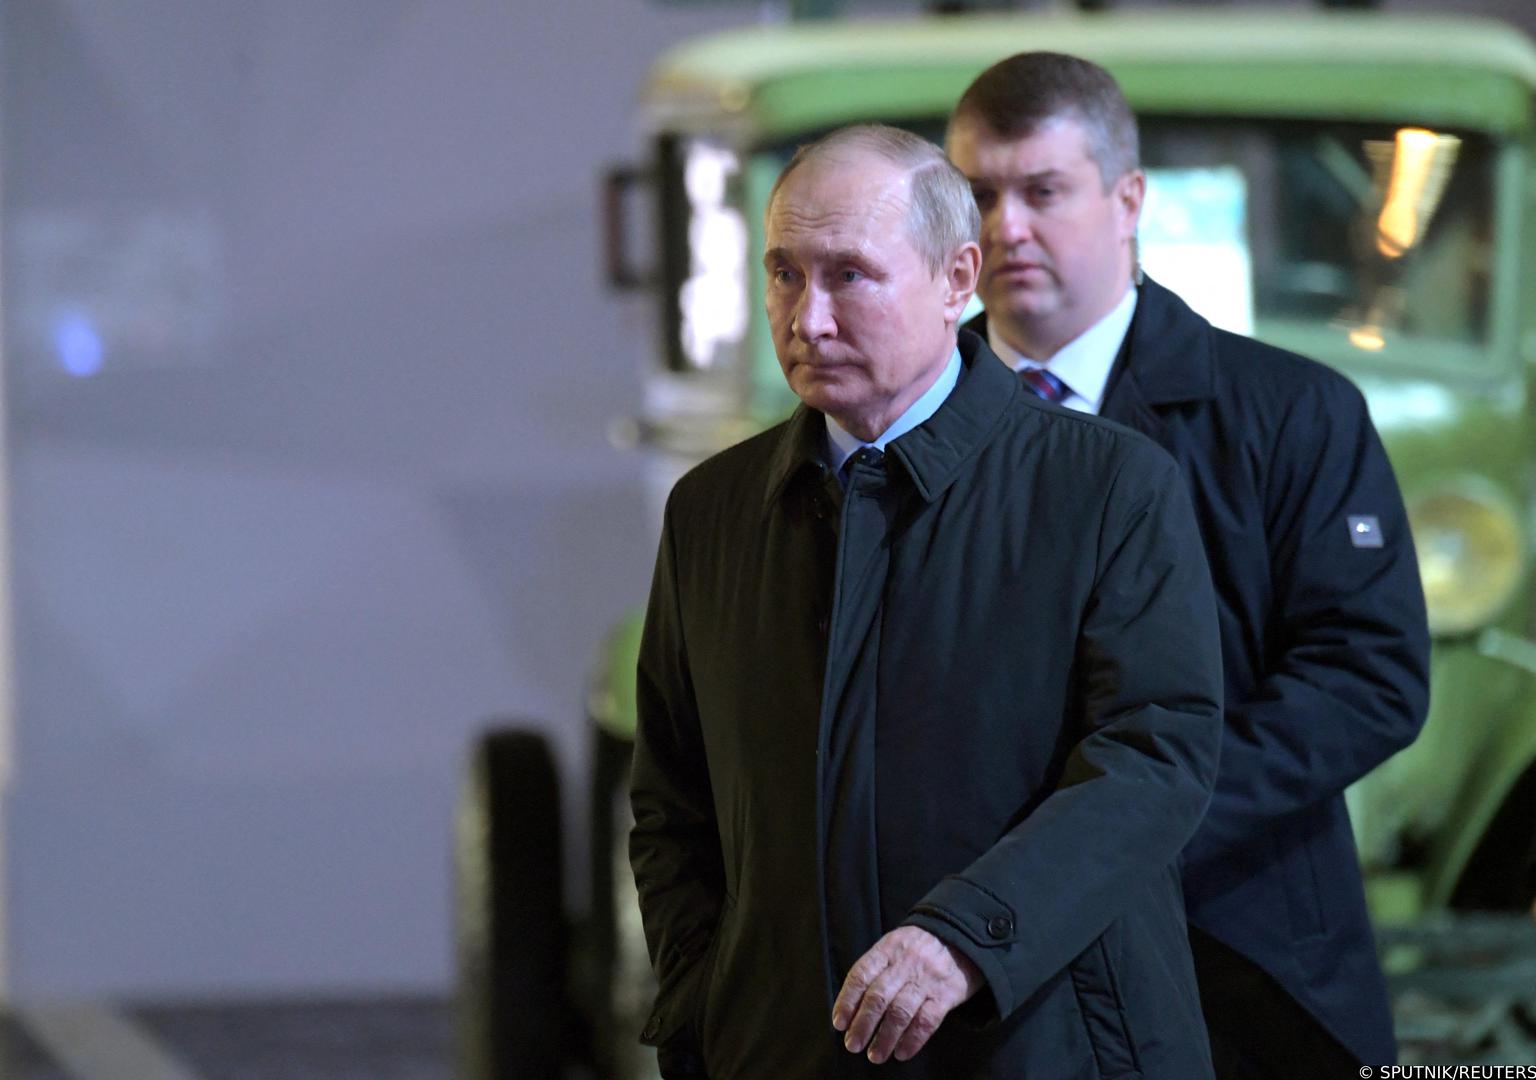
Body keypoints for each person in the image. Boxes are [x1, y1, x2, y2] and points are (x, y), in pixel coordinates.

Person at [629, 123, 1225, 1079]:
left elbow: (1154, 760)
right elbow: (672, 802)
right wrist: (705, 1003)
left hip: (1042, 1047)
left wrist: (965, 938)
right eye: (784, 274)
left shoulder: (1108, 488)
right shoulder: (712, 511)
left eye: (849, 276)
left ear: (958, 280)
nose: (809, 319)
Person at [946, 53, 1431, 1077]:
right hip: (977, 961)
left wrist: (1120, 832)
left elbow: (1369, 676)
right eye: (979, 195)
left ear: (1128, 200)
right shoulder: (908, 429)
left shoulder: (1292, 413)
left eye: (1042, 191)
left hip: (1242, 949)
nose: (1007, 227)